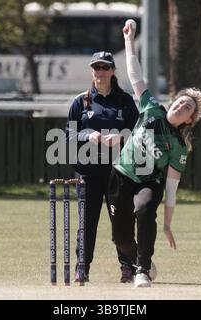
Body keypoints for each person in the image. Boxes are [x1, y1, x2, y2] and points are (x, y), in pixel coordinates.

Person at [107, 20, 201, 287]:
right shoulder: (151, 108)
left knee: (145, 209)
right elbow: (135, 75)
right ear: (172, 103)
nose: (182, 106)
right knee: (121, 238)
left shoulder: (178, 146)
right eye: (181, 101)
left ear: (188, 120)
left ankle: (141, 270)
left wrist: (168, 225)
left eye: (188, 108)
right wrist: (129, 39)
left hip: (148, 182)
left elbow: (171, 188)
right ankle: (144, 261)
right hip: (122, 175)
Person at [66, 51, 139, 283]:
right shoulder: (82, 101)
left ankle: (128, 267)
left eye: (105, 67)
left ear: (113, 71)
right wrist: (89, 135)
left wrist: (120, 137)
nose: (101, 71)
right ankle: (82, 268)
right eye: (96, 67)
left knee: (121, 220)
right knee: (87, 221)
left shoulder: (125, 101)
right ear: (92, 71)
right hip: (88, 171)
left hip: (119, 171)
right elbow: (69, 134)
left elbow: (139, 133)